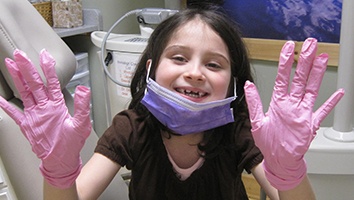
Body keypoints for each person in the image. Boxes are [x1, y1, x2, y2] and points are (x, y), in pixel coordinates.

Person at [0, 7, 344, 200]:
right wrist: (59, 174)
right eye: (178, 58)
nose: (195, 73)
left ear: (233, 84)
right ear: (151, 68)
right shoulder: (131, 126)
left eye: (213, 64)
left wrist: (289, 170)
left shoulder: (239, 130)